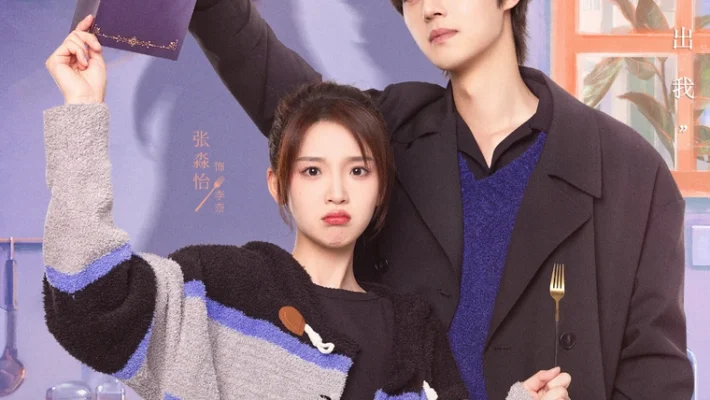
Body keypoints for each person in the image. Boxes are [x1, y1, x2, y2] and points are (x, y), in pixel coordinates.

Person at [40, 17, 572, 400]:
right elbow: (88, 304)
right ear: (279, 185)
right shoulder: (217, 286)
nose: (336, 192)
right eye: (312, 171)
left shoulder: (413, 330)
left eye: (358, 170)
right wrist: (82, 111)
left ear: (381, 188)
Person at [185, 0, 694, 398]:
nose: (428, 9)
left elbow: (656, 373)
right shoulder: (384, 134)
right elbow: (271, 81)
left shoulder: (625, 169)